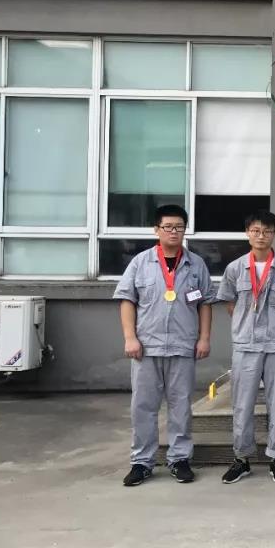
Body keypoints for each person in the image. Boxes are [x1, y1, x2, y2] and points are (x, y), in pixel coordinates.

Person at [114, 204, 212, 486]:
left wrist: (204, 338)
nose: (173, 232)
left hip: (183, 346)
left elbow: (205, 303)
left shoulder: (196, 265)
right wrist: (130, 337)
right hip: (146, 347)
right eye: (168, 227)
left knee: (181, 405)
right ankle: (142, 462)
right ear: (156, 229)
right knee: (143, 406)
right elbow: (127, 300)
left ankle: (179, 459)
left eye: (179, 227)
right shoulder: (140, 263)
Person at [213, 211, 275, 484]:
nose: (261, 236)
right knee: (242, 403)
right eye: (255, 230)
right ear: (247, 233)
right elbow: (230, 303)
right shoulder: (235, 268)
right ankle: (242, 458)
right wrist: (246, 327)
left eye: (267, 231)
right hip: (246, 345)